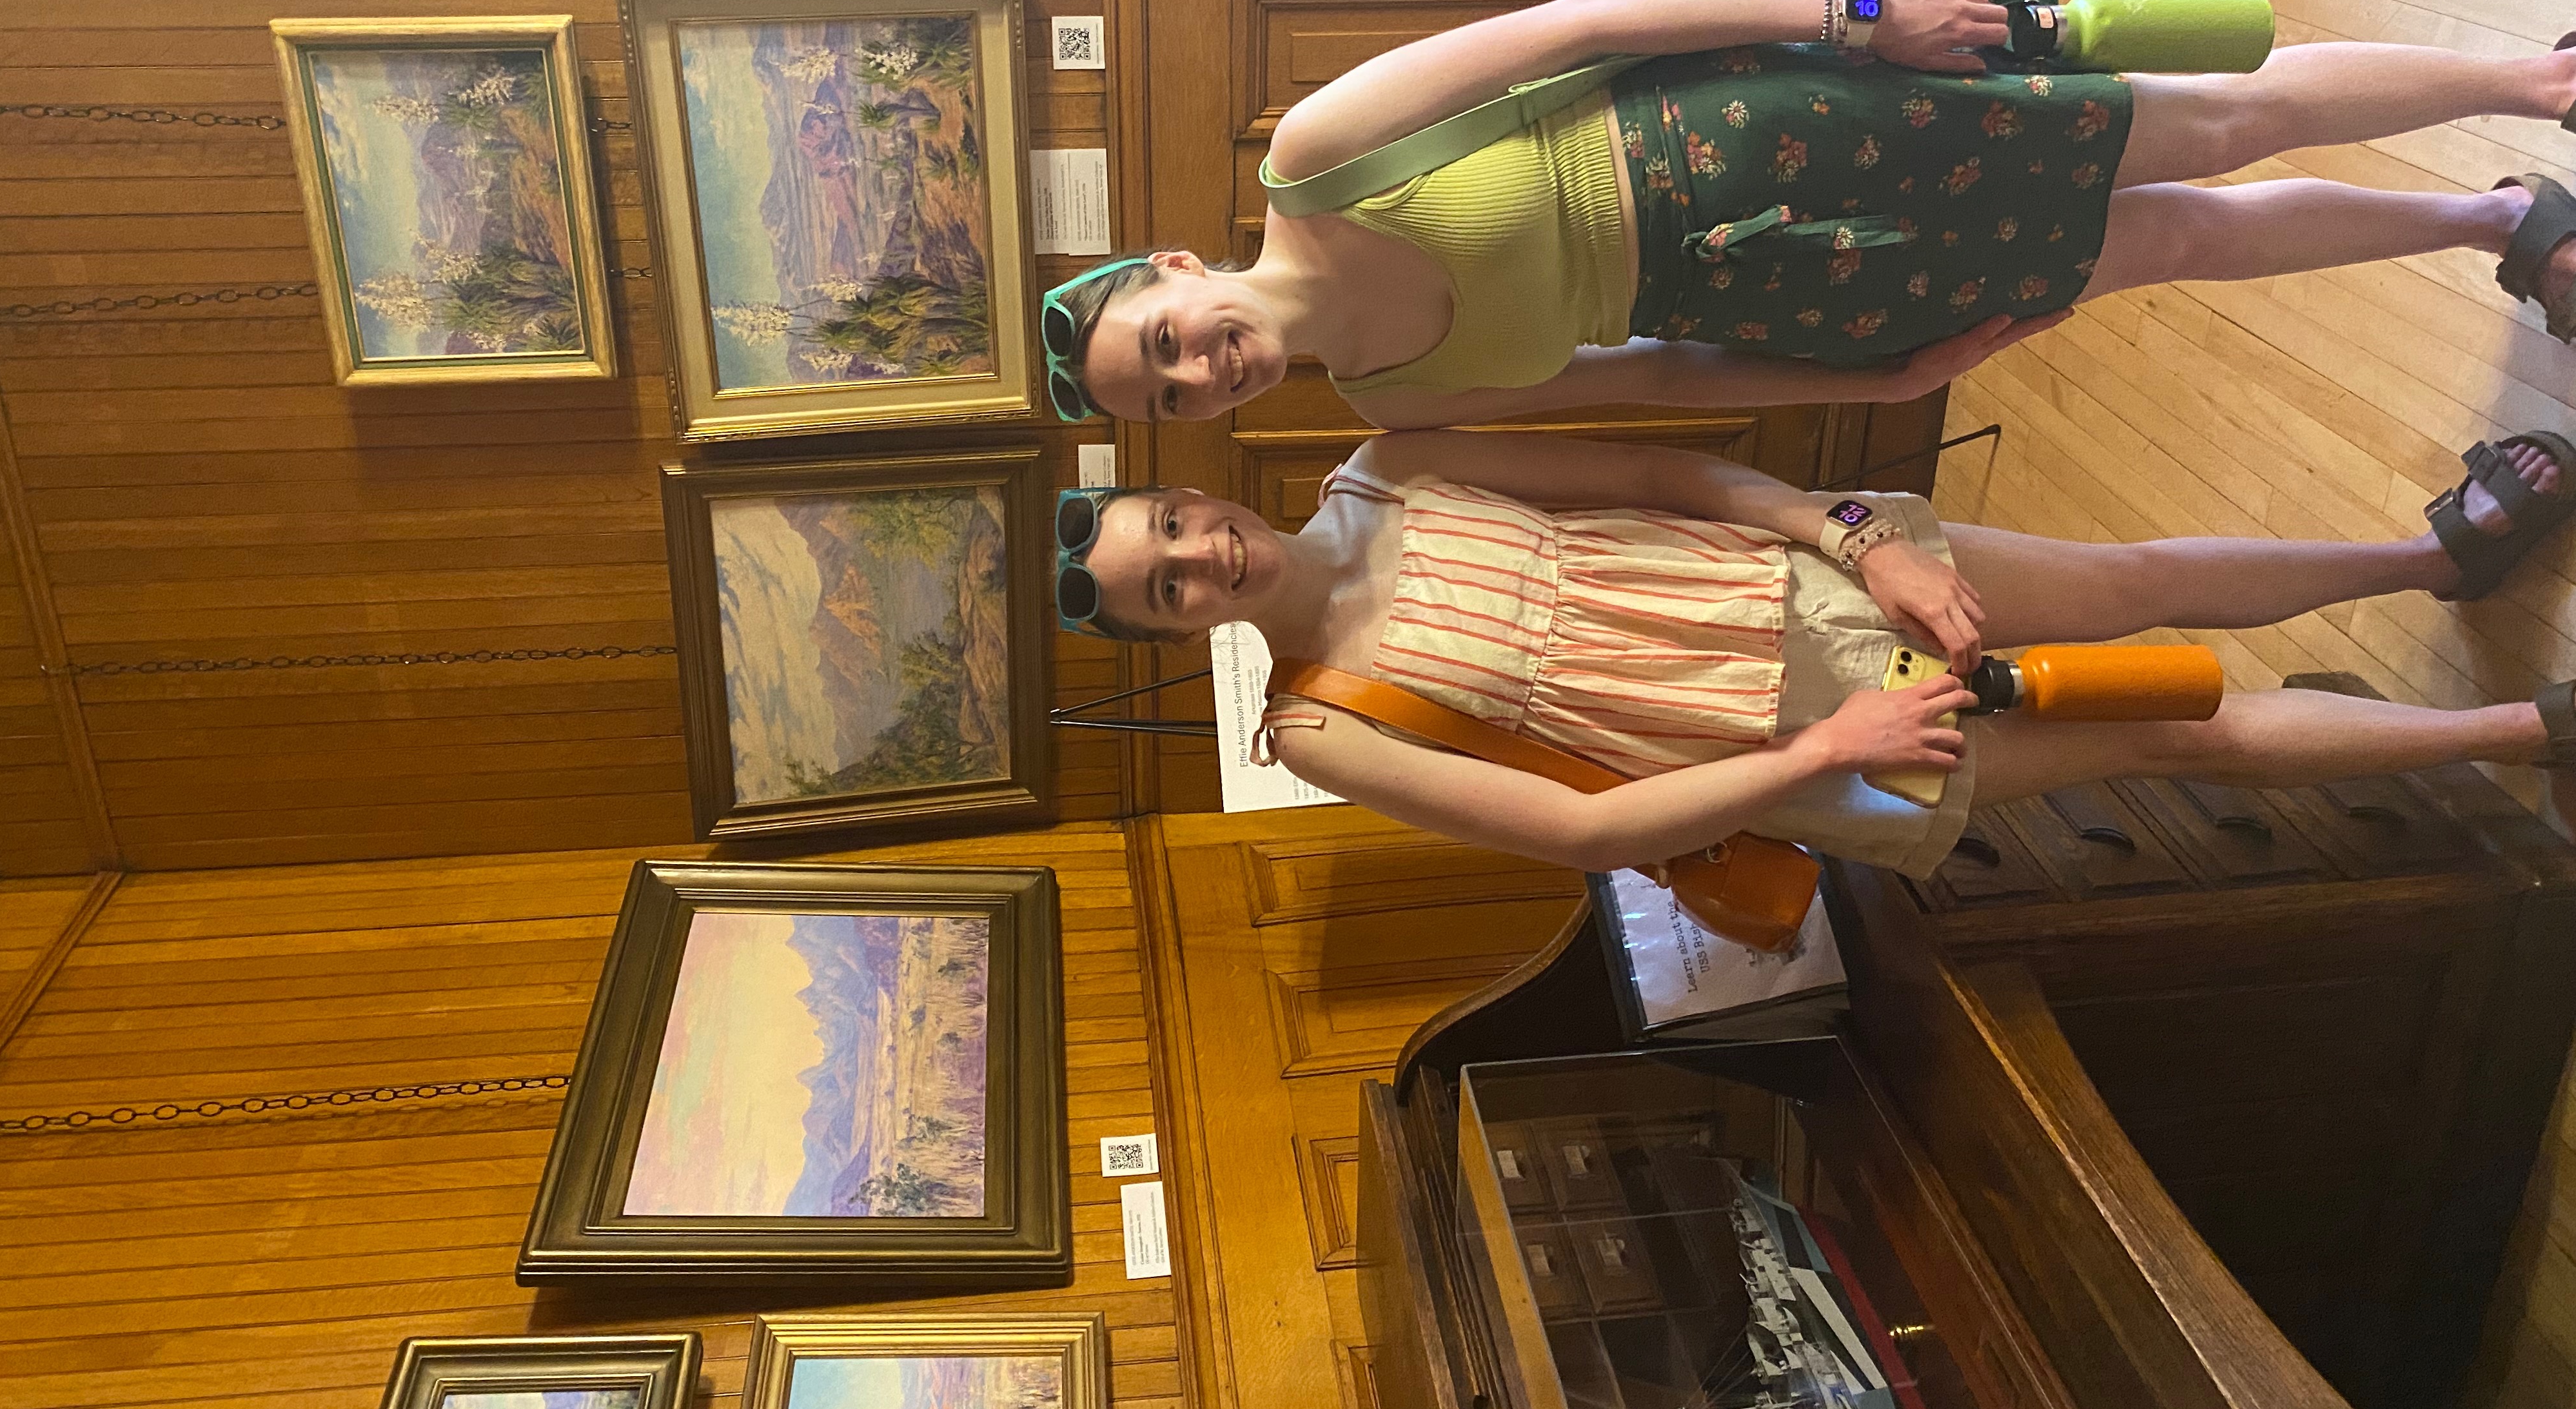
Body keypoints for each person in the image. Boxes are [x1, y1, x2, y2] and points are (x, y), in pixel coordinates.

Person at [1040, 0, 2576, 429]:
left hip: (1784, 129)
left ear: (1179, 266)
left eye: (1166, 335)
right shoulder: (1396, 405)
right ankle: (2497, 225)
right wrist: (1879, 379)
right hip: (1792, 290)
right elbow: (1663, 384)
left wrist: (1863, 15)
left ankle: (2536, 81)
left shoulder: (1316, 156)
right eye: (1169, 394)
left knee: (2201, 127)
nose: (1200, 364)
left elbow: (1587, 26)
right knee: (2162, 241)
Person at [1050, 428, 2576, 879]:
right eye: (1166, 591)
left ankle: (2436, 559)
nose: (1202, 557)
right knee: (2191, 734)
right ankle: (2525, 731)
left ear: (1196, 493)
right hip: (1814, 738)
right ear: (1174, 635)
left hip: (1827, 579)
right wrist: (1822, 756)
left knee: (2131, 576)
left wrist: (1862, 541)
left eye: (1174, 527)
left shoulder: (1391, 467)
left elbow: (1666, 478)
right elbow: (1582, 833)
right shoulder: (1317, 727)